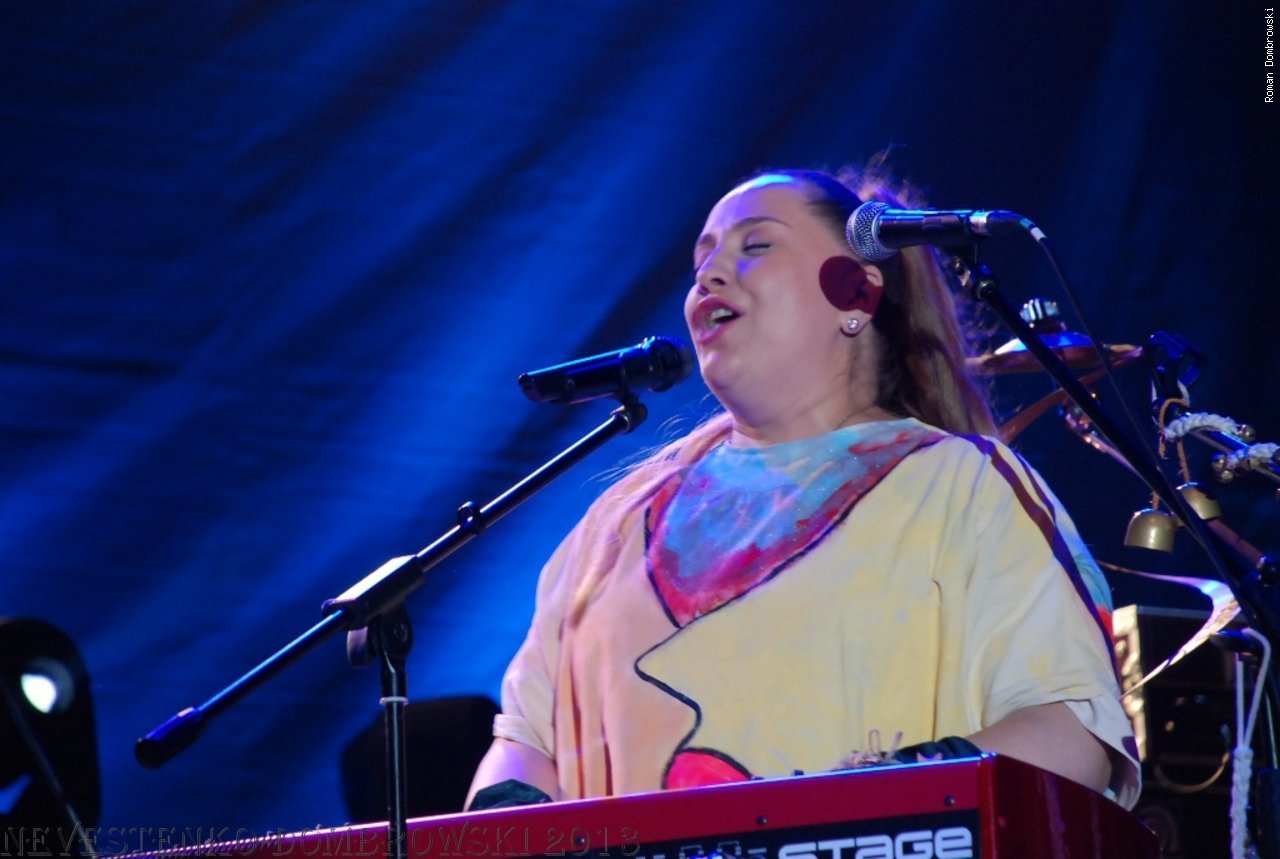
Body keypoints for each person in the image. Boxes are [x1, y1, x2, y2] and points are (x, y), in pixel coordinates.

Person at [466, 163, 1141, 811]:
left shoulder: (964, 485)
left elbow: (1073, 733)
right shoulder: (616, 521)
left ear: (857, 294)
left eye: (756, 245)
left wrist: (878, 800)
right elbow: (523, 744)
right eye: (702, 262)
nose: (711, 275)